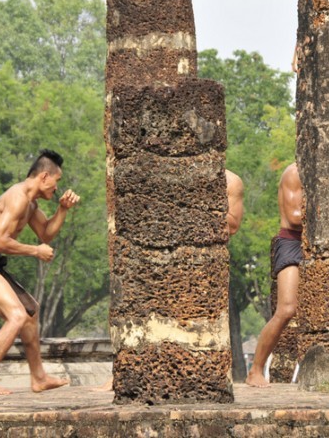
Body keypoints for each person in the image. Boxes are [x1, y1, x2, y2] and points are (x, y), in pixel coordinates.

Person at [95, 168, 245, 392]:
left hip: (200, 265)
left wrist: (189, 210)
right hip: (157, 261)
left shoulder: (231, 182)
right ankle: (125, 374)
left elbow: (231, 226)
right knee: (137, 310)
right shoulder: (161, 175)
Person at [0, 149, 80, 395]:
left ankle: (39, 377)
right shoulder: (17, 196)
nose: (57, 187)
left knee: (30, 311)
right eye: (57, 181)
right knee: (17, 315)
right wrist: (35, 251)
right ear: (44, 177)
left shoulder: (30, 204)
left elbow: (46, 233)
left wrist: (63, 209)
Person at [246, 162, 302, 388]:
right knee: (286, 309)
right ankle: (255, 370)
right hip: (292, 241)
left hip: (319, 244)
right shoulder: (294, 173)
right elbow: (295, 217)